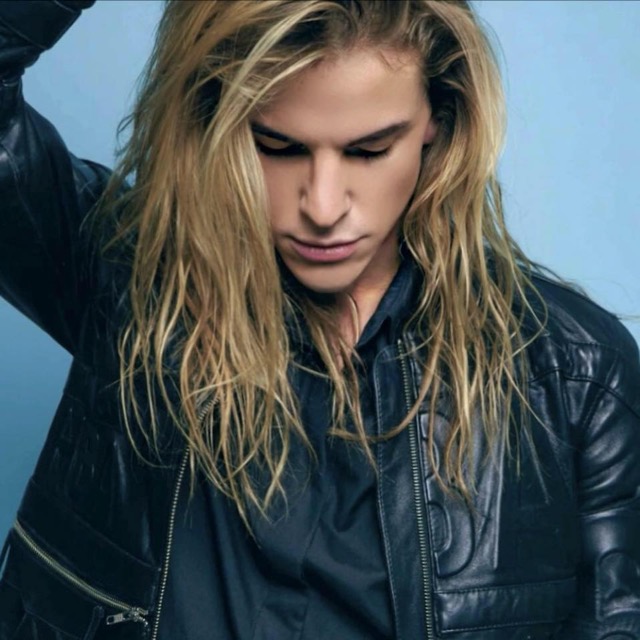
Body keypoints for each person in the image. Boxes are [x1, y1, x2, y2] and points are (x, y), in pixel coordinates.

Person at [0, 1, 639, 638]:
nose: (323, 208)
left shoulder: (574, 374)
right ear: (219, 126)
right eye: (278, 147)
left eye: (368, 150)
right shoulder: (128, 278)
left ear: (438, 124)